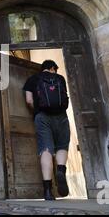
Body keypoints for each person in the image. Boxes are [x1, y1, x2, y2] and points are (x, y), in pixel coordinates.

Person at [23, 60, 70, 200]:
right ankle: (60, 169)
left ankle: (48, 191)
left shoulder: (32, 79)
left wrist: (37, 110)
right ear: (52, 68)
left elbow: (29, 100)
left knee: (46, 149)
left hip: (42, 117)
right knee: (62, 145)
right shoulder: (60, 78)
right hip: (61, 116)